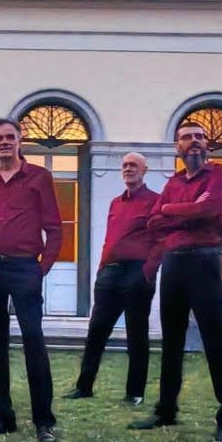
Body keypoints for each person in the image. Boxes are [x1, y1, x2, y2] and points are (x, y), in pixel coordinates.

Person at [131, 122, 222, 442]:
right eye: (186, 138)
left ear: (207, 144)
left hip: (205, 262)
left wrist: (170, 211)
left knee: (215, 341)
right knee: (172, 340)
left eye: (199, 137)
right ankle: (166, 410)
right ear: (177, 147)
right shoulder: (174, 183)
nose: (193, 142)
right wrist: (179, 212)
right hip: (175, 263)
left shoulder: (220, 176)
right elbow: (153, 221)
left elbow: (210, 209)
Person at [0, 118, 63, 442]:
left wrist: (41, 269)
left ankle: (44, 421)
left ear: (20, 140)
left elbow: (55, 228)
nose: (4, 142)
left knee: (33, 340)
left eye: (10, 137)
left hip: (25, 268)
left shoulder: (39, 177)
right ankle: (3, 417)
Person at [65, 153, 158, 406]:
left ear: (144, 170)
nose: (129, 169)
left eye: (134, 166)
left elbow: (160, 241)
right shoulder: (116, 203)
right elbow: (110, 237)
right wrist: (101, 267)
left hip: (137, 273)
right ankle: (84, 386)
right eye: (125, 166)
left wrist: (148, 271)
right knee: (96, 330)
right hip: (110, 272)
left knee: (135, 334)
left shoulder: (155, 202)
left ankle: (135, 393)